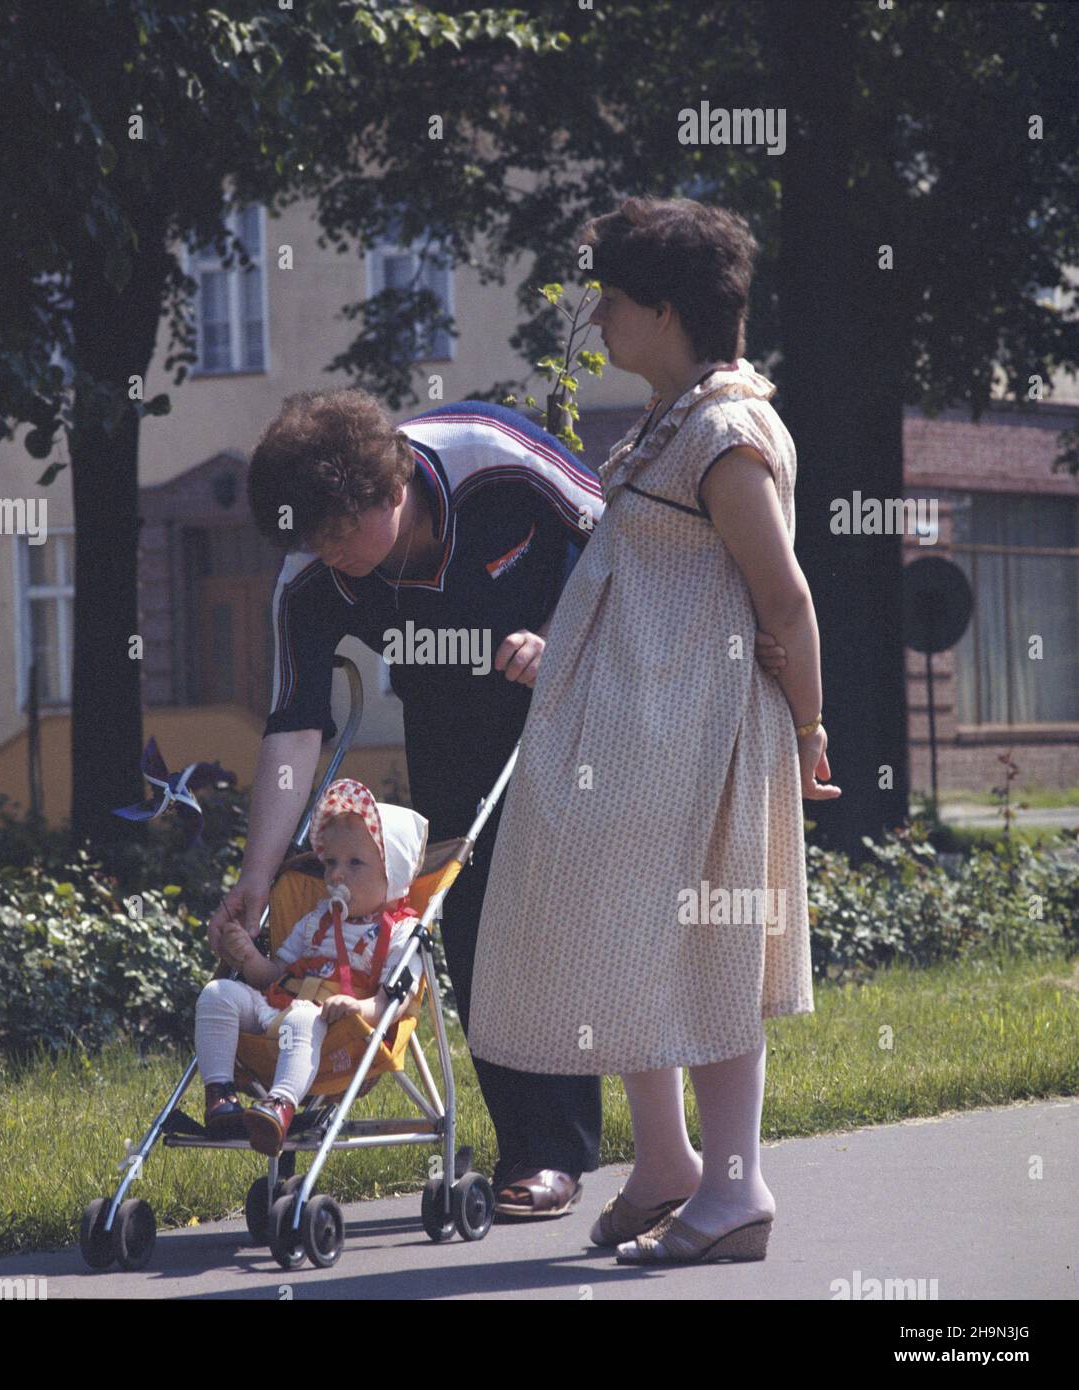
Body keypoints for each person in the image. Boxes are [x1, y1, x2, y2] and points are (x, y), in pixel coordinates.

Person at [213, 387, 786, 1217]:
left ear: (395, 485)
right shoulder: (309, 573)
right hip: (446, 715)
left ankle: (646, 1153)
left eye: (340, 532)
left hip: (581, 685)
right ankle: (540, 1152)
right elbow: (295, 727)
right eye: (311, 538)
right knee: (472, 915)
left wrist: (561, 632)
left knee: (580, 914)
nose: (327, 553)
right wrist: (258, 875)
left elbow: (629, 542)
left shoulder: (492, 456)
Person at [465, 195, 842, 1264]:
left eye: (614, 300)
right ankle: (669, 1162)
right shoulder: (671, 424)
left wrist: (811, 731)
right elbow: (644, 580)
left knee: (710, 946)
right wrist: (564, 647)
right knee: (623, 933)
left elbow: (784, 596)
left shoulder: (725, 431)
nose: (597, 321)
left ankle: (735, 1191)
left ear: (667, 309)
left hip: (699, 734)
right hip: (638, 735)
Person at [196, 777, 427, 1155]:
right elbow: (276, 978)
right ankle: (220, 1095)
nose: (336, 874)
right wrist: (249, 958)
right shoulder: (316, 920)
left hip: (345, 1033)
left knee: (305, 1015)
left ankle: (281, 1105)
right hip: (280, 1011)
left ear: (394, 876)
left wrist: (360, 1008)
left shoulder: (402, 933)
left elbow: (394, 1002)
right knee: (217, 994)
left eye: (355, 863)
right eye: (332, 862)